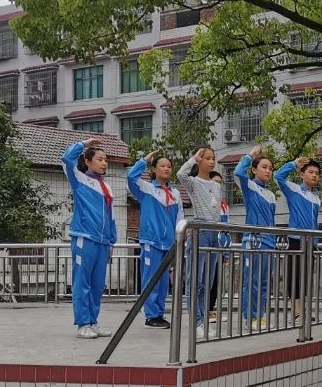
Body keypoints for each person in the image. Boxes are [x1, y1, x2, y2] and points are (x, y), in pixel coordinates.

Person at [61, 138, 118, 339]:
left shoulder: (107, 187)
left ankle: (93, 322)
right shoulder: (79, 178)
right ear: (88, 161)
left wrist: (111, 240)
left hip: (102, 242)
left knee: (97, 284)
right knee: (82, 282)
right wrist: (83, 144)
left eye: (106, 160)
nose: (104, 163)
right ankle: (83, 323)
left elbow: (111, 216)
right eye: (100, 159)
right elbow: (66, 158)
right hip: (84, 237)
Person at [127, 151, 184, 329]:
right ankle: (150, 315)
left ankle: (158, 314)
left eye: (169, 166)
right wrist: (144, 160)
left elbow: (180, 216)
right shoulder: (146, 188)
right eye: (162, 166)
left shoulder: (175, 192)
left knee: (163, 281)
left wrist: (179, 238)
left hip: (168, 243)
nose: (166, 169)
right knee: (151, 279)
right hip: (151, 241)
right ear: (154, 169)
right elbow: (130, 176)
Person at [177, 147, 223, 339]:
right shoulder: (194, 183)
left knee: (208, 281)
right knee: (196, 279)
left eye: (213, 158)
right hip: (200, 229)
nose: (211, 162)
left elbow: (217, 210)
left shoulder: (217, 186)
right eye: (207, 158)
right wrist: (193, 159)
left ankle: (204, 319)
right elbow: (181, 174)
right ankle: (196, 321)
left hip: (214, 231)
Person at [274, 156, 321, 321]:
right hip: (295, 239)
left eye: (317, 173)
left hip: (310, 242)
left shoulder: (316, 197)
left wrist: (316, 242)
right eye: (310, 172)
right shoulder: (294, 189)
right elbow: (278, 176)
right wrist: (293, 164)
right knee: (294, 275)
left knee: (306, 277)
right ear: (302, 174)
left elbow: (315, 222)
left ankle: (303, 310)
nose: (314, 175)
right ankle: (296, 311)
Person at [234, 147, 277, 329]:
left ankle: (261, 314)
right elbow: (237, 172)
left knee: (265, 282)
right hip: (253, 240)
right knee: (251, 281)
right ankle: (250, 316)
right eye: (264, 167)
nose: (268, 171)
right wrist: (250, 155)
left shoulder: (271, 195)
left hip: (269, 241)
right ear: (254, 170)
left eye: (270, 168)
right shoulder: (250, 187)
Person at [207, 171, 228, 321]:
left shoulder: (224, 204)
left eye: (220, 183)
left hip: (220, 245)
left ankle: (211, 309)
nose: (218, 185)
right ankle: (204, 310)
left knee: (216, 281)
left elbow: (225, 227)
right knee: (206, 280)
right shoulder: (206, 200)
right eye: (215, 182)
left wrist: (226, 250)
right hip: (208, 245)